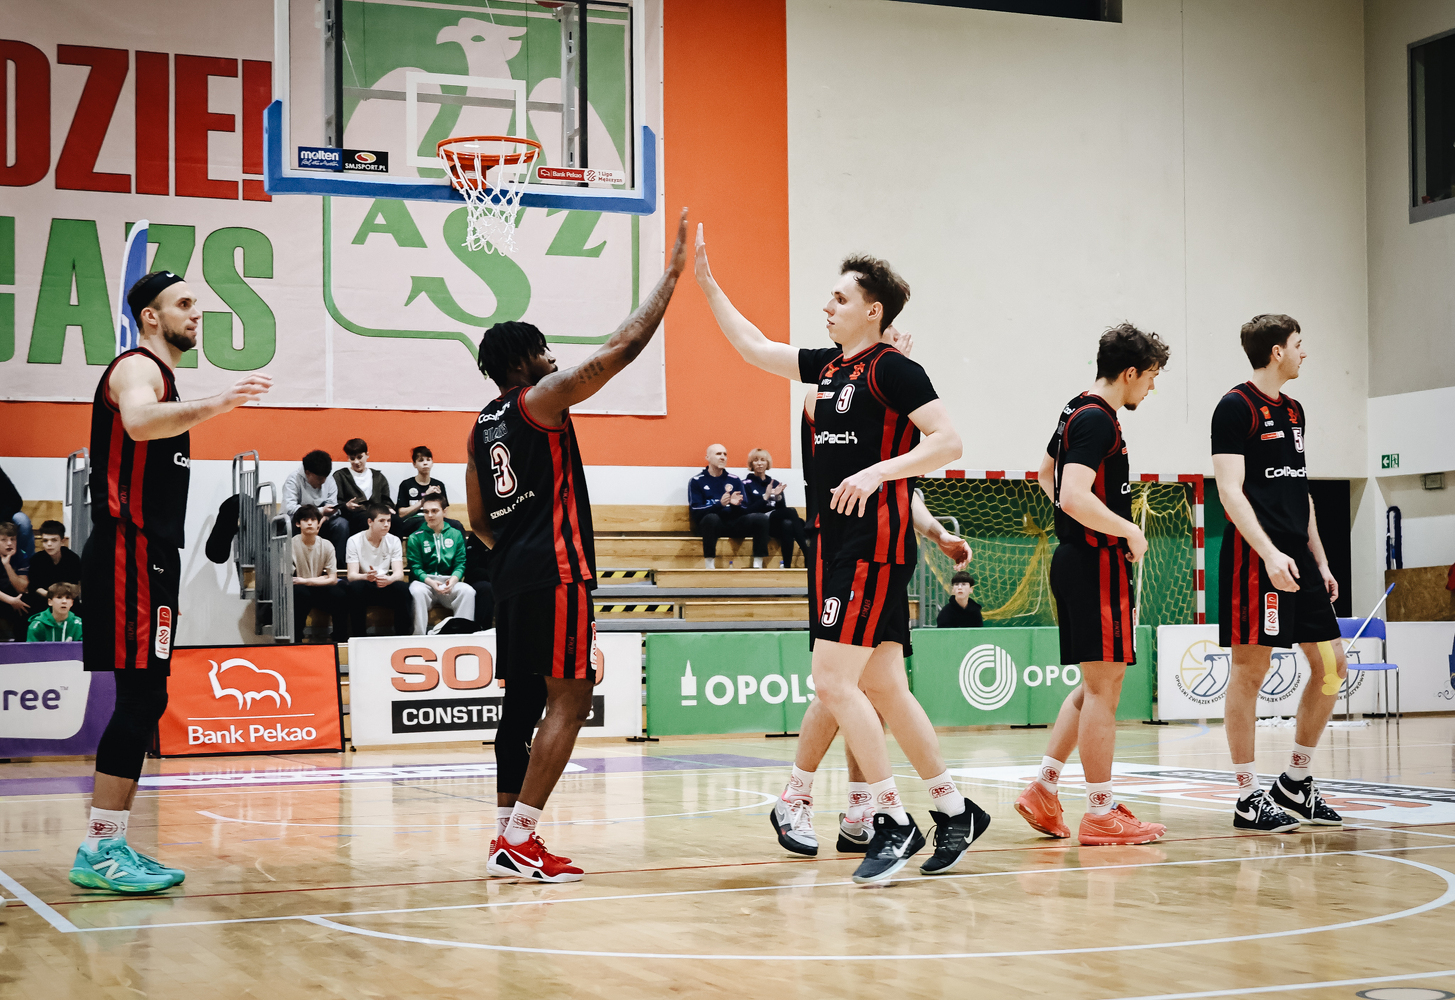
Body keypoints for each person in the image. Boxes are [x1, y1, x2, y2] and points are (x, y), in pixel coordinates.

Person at [698, 231, 986, 884]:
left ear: (872, 310)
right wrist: (708, 286)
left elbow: (949, 441)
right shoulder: (830, 368)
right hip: (838, 544)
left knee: (831, 683)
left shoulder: (893, 369)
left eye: (840, 297)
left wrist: (879, 473)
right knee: (883, 686)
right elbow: (753, 347)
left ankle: (889, 818)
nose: (827, 306)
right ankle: (952, 808)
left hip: (868, 546)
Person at [466, 207, 690, 883]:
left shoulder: (479, 426)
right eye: (543, 348)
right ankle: (520, 838)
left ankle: (506, 836)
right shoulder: (538, 400)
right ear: (522, 360)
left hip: (511, 574)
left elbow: (478, 519)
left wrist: (518, 545)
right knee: (571, 697)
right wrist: (670, 279)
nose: (553, 356)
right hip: (556, 570)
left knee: (522, 706)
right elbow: (622, 348)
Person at [70, 268, 270, 894]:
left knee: (149, 698)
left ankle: (113, 842)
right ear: (150, 317)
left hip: (152, 553)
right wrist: (220, 403)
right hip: (127, 548)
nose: (196, 313)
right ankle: (99, 849)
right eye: (183, 304)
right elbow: (136, 422)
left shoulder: (166, 379)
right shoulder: (137, 368)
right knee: (138, 699)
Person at [1013, 324, 1170, 847]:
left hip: (1079, 560)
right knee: (1105, 690)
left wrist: (1081, 520)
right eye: (1151, 376)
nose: (1152, 387)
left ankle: (1044, 788)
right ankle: (1100, 813)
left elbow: (1046, 475)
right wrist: (1127, 530)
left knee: (1093, 686)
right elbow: (1073, 494)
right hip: (1095, 564)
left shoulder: (1075, 408)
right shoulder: (1098, 419)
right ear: (1130, 372)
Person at [1211, 313, 1345, 832]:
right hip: (1255, 557)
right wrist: (1268, 552)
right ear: (1276, 352)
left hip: (1298, 556)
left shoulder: (1294, 410)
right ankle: (1248, 796)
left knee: (1333, 666)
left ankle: (1295, 783)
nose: (1304, 352)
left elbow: (1299, 490)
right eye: (1298, 344)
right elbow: (1229, 491)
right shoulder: (1234, 407)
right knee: (1251, 672)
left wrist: (1320, 559)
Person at [688, 444, 771, 569]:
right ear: (707, 457)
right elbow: (696, 511)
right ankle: (709, 565)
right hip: (712, 526)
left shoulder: (734, 480)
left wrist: (735, 505)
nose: (723, 457)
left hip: (733, 523)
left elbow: (744, 510)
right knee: (711, 518)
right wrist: (719, 504)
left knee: (761, 518)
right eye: (718, 454)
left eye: (725, 454)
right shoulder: (697, 481)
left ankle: (758, 564)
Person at [406, 497, 475, 634]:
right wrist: (431, 582)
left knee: (468, 591)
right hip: (425, 582)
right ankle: (418, 637)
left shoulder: (455, 534)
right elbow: (415, 567)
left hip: (449, 581)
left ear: (444, 512)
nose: (430, 515)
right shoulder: (415, 537)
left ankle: (462, 635)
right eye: (426, 511)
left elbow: (460, 563)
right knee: (416, 592)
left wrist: (454, 580)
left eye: (434, 511)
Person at [344, 503, 411, 637]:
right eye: (381, 521)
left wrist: (389, 579)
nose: (386, 525)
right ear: (370, 522)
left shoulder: (394, 540)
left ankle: (402, 636)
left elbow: (399, 574)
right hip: (366, 583)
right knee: (355, 588)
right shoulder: (354, 541)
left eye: (388, 521)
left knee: (403, 589)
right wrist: (366, 576)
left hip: (385, 582)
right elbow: (351, 575)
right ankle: (359, 636)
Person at [743, 448, 808, 568]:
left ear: (767, 463)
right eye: (756, 460)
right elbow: (748, 511)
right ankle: (807, 552)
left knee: (788, 523)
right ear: (751, 463)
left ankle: (787, 566)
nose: (759, 463)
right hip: (759, 524)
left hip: (774, 523)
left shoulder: (774, 483)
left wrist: (778, 497)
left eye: (763, 460)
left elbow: (782, 509)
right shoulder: (745, 484)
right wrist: (765, 498)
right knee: (792, 512)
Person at [291, 504, 346, 644]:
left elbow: (333, 579)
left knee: (340, 594)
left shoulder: (327, 545)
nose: (309, 523)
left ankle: (340, 641)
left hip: (315, 587)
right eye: (305, 519)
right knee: (300, 593)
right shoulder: (290, 545)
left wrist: (306, 580)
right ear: (298, 524)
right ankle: (297, 641)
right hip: (300, 590)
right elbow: (290, 579)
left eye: (313, 519)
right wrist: (321, 578)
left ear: (319, 523)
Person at [284, 450, 351, 556]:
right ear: (307, 473)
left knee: (341, 524)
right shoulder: (293, 480)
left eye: (325, 478)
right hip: (300, 520)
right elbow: (290, 508)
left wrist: (324, 518)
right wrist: (319, 512)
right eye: (319, 479)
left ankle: (337, 563)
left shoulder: (329, 479)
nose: (322, 482)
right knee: (291, 524)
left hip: (323, 519)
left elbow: (332, 504)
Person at [333, 438, 395, 537]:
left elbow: (386, 500)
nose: (356, 462)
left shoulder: (378, 477)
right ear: (348, 458)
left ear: (367, 455)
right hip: (354, 516)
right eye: (352, 458)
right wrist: (346, 506)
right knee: (365, 519)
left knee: (396, 520)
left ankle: (392, 547)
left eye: (359, 457)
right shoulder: (340, 476)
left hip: (378, 514)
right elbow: (336, 502)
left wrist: (388, 508)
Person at [23, 520, 84, 617]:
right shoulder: (37, 559)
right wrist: (53, 598)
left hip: (67, 601)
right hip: (43, 601)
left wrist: (61, 599)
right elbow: (35, 587)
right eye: (45, 541)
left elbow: (76, 585)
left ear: (62, 541)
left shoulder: (72, 558)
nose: (49, 544)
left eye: (54, 540)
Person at [397, 446, 451, 537]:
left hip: (435, 519)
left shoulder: (438, 485)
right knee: (425, 523)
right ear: (414, 464)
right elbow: (401, 514)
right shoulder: (406, 484)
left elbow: (445, 512)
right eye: (421, 460)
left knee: (457, 525)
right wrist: (425, 498)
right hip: (413, 520)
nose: (425, 463)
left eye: (428, 460)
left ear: (432, 463)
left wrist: (438, 499)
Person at [0, 464, 33, 572]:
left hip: (5, 516)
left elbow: (16, 501)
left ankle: (26, 565)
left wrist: (3, 517)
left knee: (23, 521)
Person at [0, 522, 29, 640]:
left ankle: (21, 640)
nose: (9, 543)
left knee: (27, 602)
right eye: (3, 540)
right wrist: (11, 600)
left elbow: (22, 588)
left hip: (15, 599)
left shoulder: (21, 555)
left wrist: (7, 565)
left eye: (13, 539)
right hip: (5, 599)